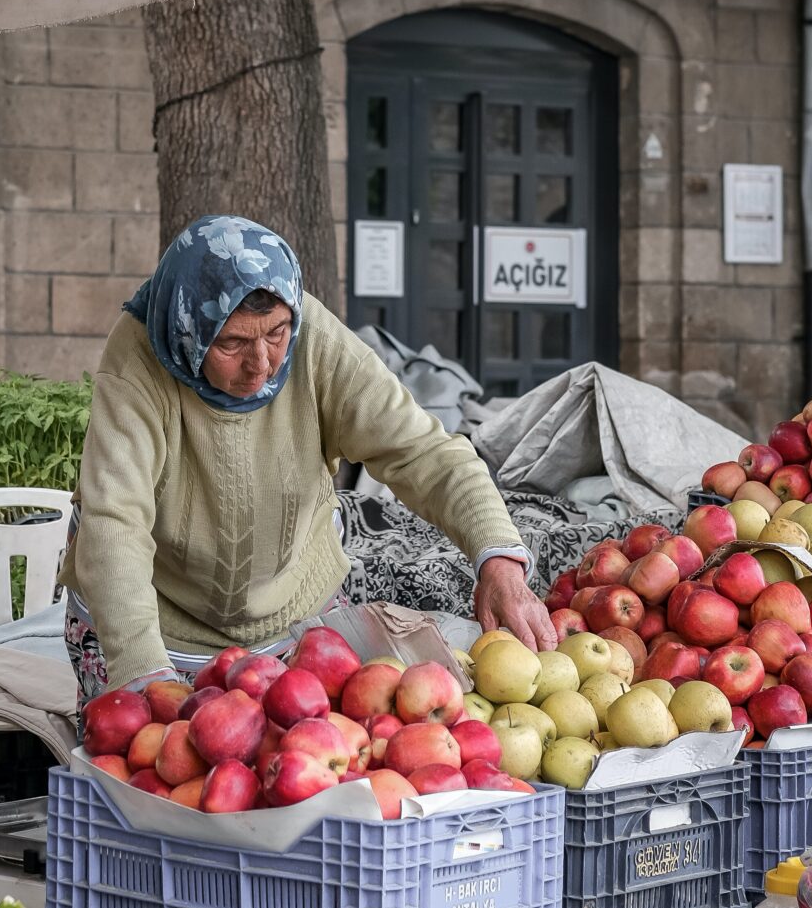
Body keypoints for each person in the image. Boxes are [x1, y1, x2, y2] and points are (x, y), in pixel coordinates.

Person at [62, 214, 555, 694]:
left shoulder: (312, 338)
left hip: (293, 617)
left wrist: (499, 559)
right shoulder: (139, 360)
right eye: (232, 342)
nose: (261, 364)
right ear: (190, 328)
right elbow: (114, 523)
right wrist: (143, 672)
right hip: (157, 631)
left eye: (276, 334)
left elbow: (423, 450)